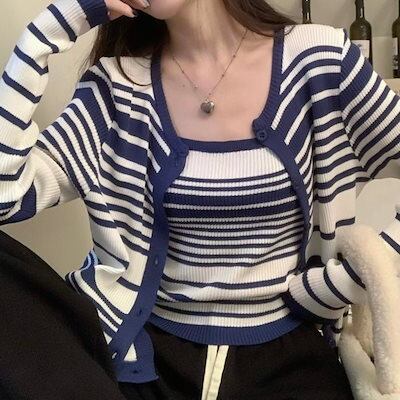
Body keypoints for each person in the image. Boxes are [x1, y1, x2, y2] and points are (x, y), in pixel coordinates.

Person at [2, 0, 399, 398]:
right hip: (146, 363)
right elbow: (7, 196)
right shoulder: (118, 86)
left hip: (288, 359)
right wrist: (42, 36)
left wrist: (353, 277)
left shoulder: (317, 59)